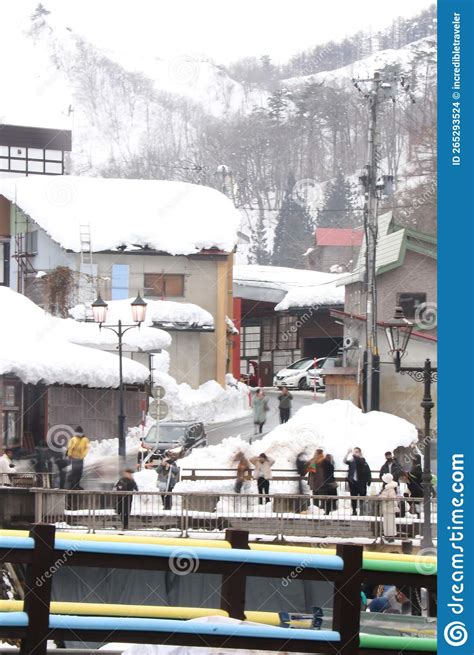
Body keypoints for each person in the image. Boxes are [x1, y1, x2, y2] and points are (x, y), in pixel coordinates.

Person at [343, 447, 372, 515]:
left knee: (362, 497)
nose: (355, 453)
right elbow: (344, 461)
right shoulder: (352, 461)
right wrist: (348, 453)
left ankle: (362, 511)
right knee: (353, 497)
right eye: (354, 451)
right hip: (352, 482)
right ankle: (354, 510)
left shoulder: (362, 461)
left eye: (357, 452)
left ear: (360, 453)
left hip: (361, 482)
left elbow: (367, 471)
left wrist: (369, 481)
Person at [380, 472, 398, 542]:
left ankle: (390, 536)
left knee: (389, 523)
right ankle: (388, 535)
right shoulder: (390, 488)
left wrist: (381, 497)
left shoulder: (389, 488)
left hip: (389, 508)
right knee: (388, 523)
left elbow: (389, 497)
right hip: (389, 508)